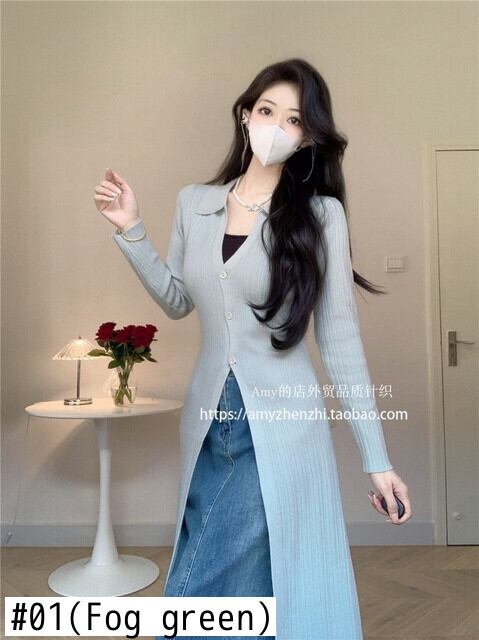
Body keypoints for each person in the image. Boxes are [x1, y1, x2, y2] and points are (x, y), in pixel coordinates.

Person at [93, 58, 412, 640]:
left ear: (307, 138)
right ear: (245, 114)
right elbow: (177, 301)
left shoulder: (320, 216)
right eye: (267, 110)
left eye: (293, 120)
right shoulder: (195, 203)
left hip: (284, 427)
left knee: (214, 578)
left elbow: (340, 342)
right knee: (234, 573)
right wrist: (131, 229)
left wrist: (377, 459)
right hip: (208, 419)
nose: (276, 127)